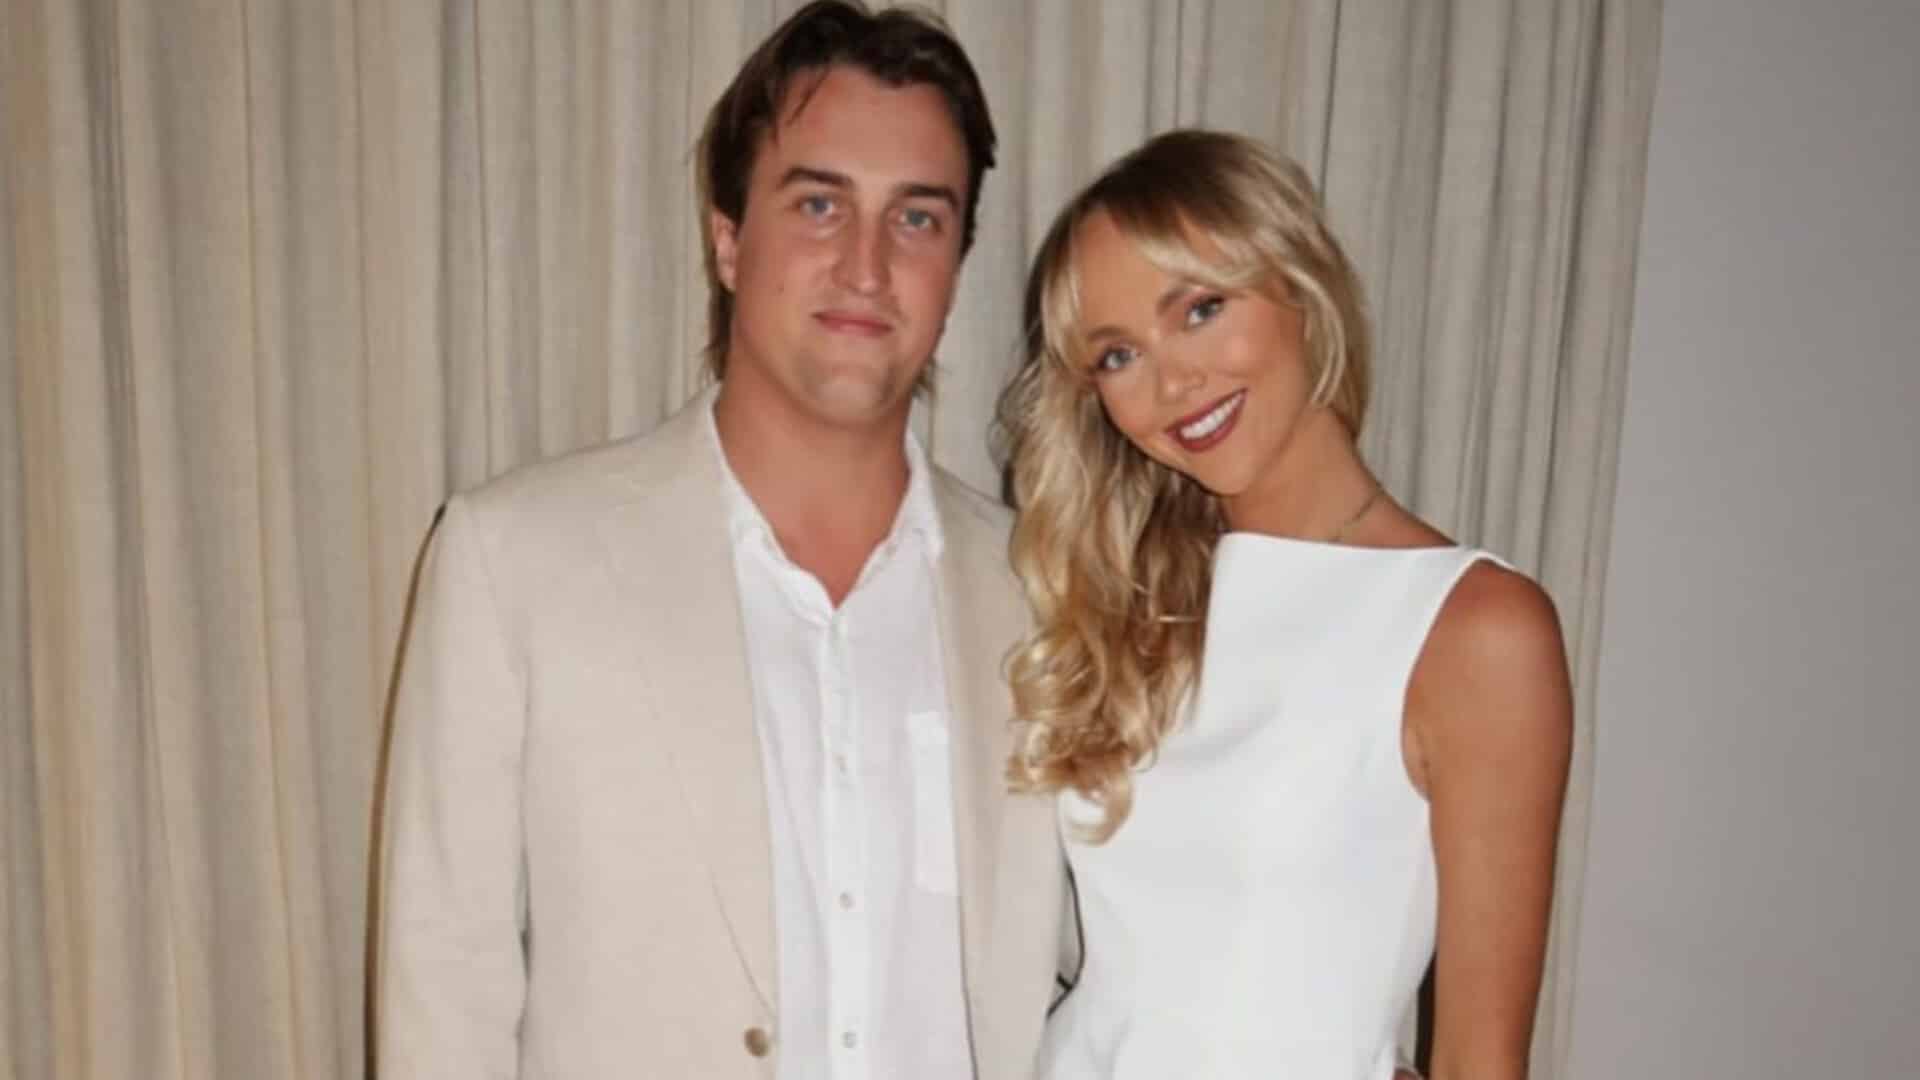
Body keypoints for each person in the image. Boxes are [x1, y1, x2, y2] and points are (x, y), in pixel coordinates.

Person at [374, 3, 1066, 1076]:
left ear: (957, 265)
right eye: (819, 204)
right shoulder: (513, 563)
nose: (867, 264)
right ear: (729, 240)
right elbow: (445, 1000)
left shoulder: (1048, 591)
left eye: (918, 218)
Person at [997, 129, 1573, 1079]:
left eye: (1201, 308)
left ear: (1301, 286)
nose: (1172, 381)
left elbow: (1480, 1059)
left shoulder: (1474, 631)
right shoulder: (1126, 612)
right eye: (1118, 355)